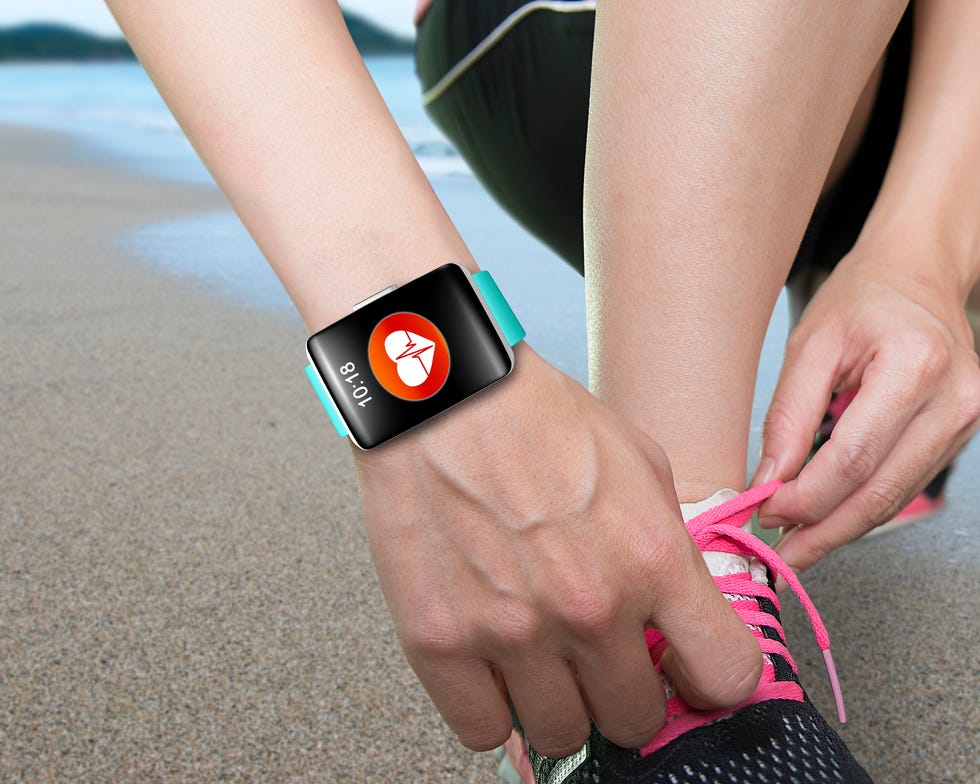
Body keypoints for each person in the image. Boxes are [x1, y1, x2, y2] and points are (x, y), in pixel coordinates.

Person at [105, 1, 980, 782]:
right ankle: (672, 581)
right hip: (550, 41)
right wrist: (436, 380)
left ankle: (851, 270)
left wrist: (924, 251)